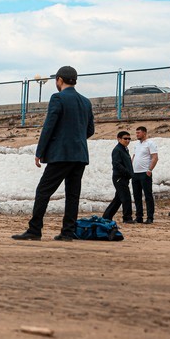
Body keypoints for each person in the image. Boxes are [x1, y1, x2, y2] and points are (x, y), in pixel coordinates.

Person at [13, 66, 95, 242]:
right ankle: (67, 232)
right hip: (80, 155)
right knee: (73, 195)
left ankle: (35, 230)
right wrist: (76, 139)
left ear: (59, 80)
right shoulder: (86, 102)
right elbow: (90, 130)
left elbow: (49, 126)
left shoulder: (57, 98)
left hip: (61, 154)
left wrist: (40, 151)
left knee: (43, 191)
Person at [102, 131, 134, 224]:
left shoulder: (124, 149)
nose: (127, 140)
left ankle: (106, 217)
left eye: (129, 139)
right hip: (119, 177)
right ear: (119, 139)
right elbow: (117, 164)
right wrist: (127, 173)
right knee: (126, 198)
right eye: (125, 138)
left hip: (124, 177)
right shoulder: (117, 150)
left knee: (118, 199)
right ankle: (127, 218)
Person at [132, 126, 159, 224]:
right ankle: (139, 216)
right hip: (135, 173)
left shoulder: (150, 143)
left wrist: (149, 170)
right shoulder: (137, 145)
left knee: (148, 195)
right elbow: (134, 157)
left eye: (139, 132)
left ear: (144, 133)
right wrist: (130, 169)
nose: (137, 134)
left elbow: (155, 157)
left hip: (145, 173)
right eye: (136, 132)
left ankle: (150, 217)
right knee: (136, 195)